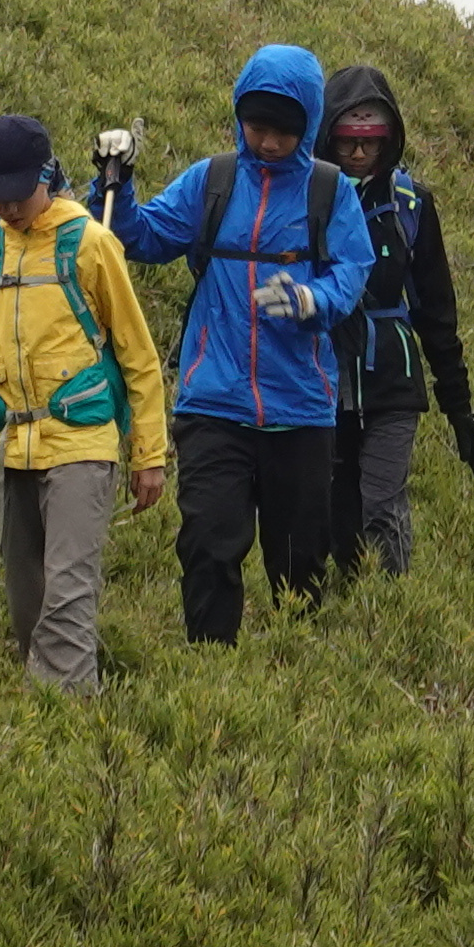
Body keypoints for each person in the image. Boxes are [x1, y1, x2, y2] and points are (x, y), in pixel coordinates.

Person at [97, 43, 375, 642]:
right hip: (212, 403)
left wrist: (311, 302)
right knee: (207, 545)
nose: (269, 142)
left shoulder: (331, 192)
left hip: (300, 408)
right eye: (257, 127)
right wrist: (113, 182)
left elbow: (352, 273)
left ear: (307, 125)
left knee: (299, 562)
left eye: (283, 130)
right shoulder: (213, 181)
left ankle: (292, 665)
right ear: (239, 116)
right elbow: (140, 239)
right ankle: (209, 664)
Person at [0, 115, 172, 693]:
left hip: (82, 442)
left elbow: (138, 355)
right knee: (26, 598)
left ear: (46, 176)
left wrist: (148, 455)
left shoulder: (91, 243)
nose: (6, 208)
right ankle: (47, 710)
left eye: (16, 194)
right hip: (6, 447)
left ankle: (66, 722)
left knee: (68, 588)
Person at [315, 66, 474, 580]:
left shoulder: (413, 204)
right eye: (347, 141)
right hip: (323, 377)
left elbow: (437, 312)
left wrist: (461, 411)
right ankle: (339, 612)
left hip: (394, 381)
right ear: (328, 135)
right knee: (333, 506)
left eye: (371, 141)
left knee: (381, 504)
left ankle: (389, 603)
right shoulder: (307, 198)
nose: (360, 154)